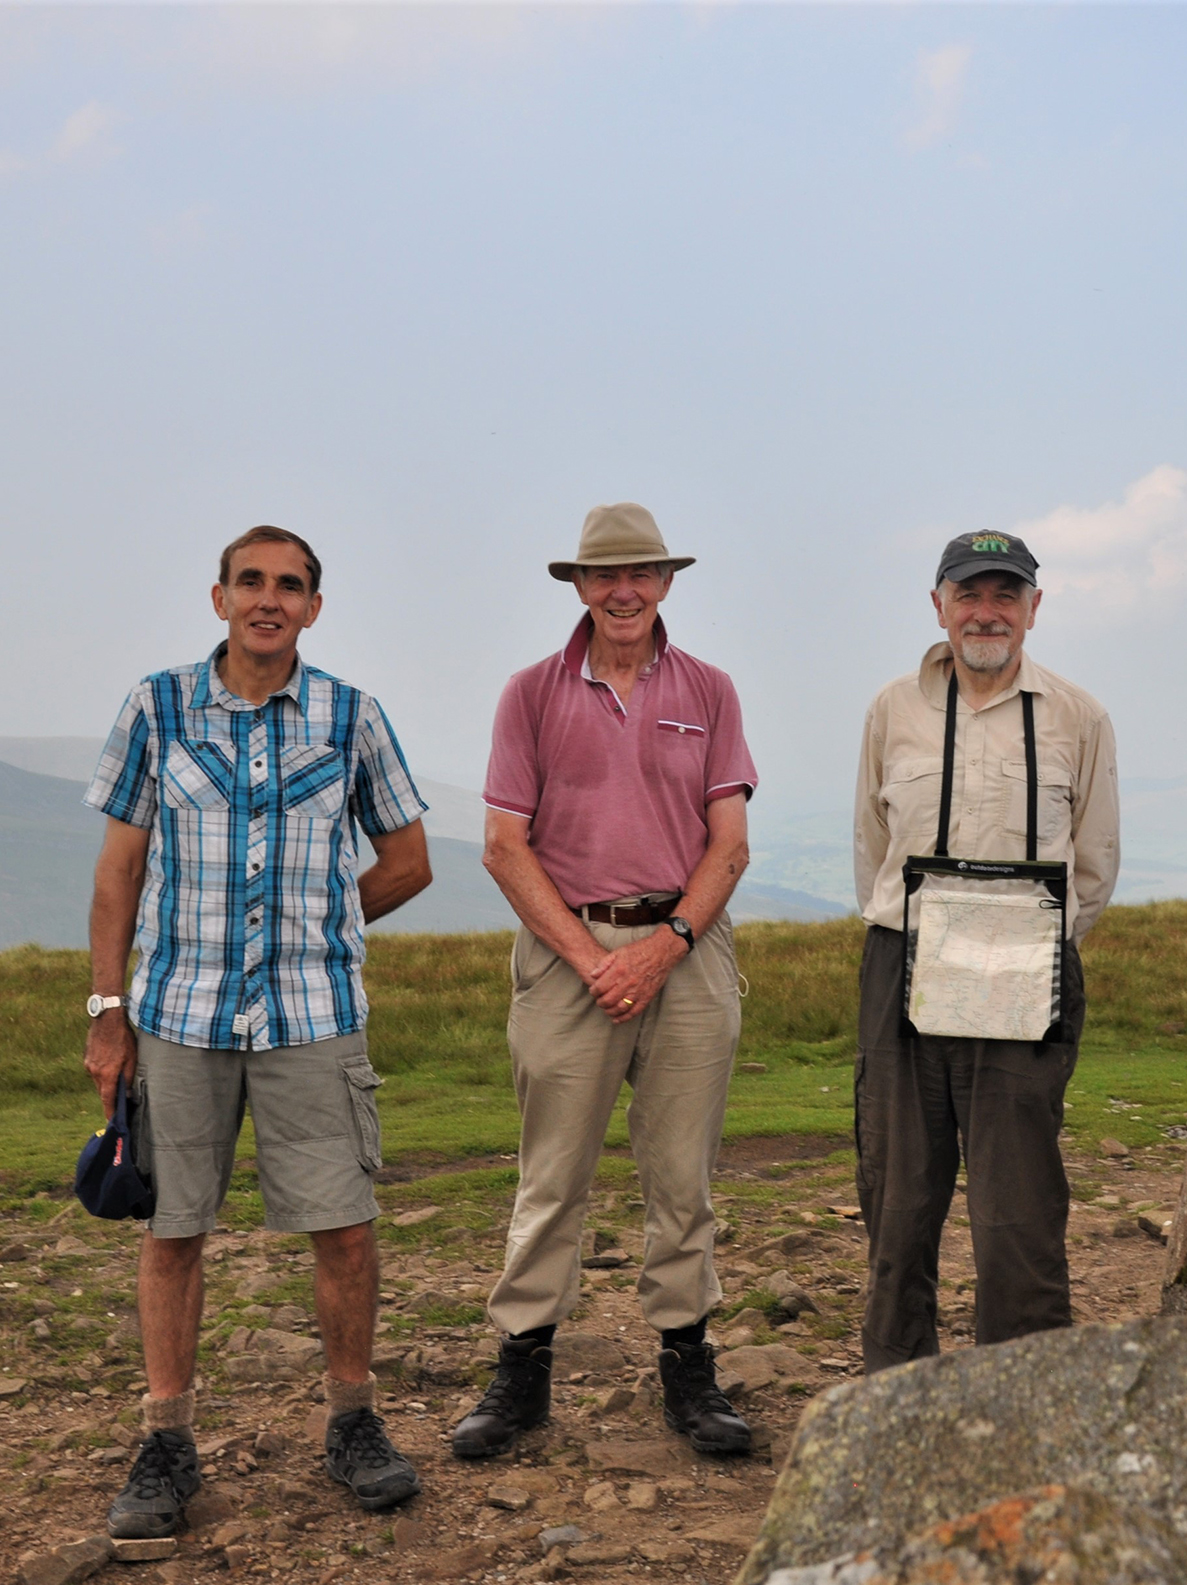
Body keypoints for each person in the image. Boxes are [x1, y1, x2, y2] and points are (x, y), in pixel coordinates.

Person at [82, 526, 433, 1537]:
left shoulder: (349, 716)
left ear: (313, 608)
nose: (268, 599)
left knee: (344, 1226)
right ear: (219, 596)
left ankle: (353, 1423)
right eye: (251, 581)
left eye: (290, 586)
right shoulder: (156, 707)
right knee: (172, 1229)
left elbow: (407, 858)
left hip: (310, 1017)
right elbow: (118, 873)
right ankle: (164, 1441)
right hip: (180, 1016)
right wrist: (109, 1014)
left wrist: (323, 923)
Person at [455, 502, 757, 1459]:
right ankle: (521, 1375)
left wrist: (662, 946)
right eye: (604, 575)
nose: (623, 591)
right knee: (551, 1176)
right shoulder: (530, 694)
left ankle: (687, 1369)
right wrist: (593, 961)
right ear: (579, 586)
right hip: (567, 955)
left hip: (687, 947)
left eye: (641, 573)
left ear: (667, 581)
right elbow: (504, 847)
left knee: (684, 1176)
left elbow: (730, 845)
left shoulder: (710, 690)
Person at [852, 531, 1120, 1371]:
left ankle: (1024, 1394)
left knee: (1019, 1209)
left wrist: (1022, 952)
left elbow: (1096, 863)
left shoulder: (1080, 716)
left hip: (1026, 968)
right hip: (903, 965)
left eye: (1006, 594)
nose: (986, 611)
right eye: (969, 593)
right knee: (898, 1198)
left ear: (1035, 608)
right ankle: (897, 1393)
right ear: (938, 604)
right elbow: (873, 847)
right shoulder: (892, 709)